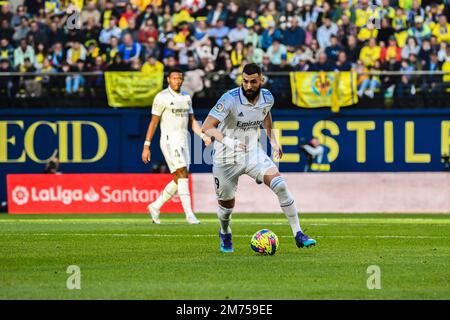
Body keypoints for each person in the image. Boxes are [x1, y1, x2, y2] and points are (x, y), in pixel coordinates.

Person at [201, 63, 316, 253]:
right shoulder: (229, 99)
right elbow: (207, 126)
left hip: (252, 152)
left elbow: (265, 115)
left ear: (261, 80)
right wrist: (230, 142)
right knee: (226, 207)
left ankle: (299, 234)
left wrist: (273, 141)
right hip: (226, 158)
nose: (248, 86)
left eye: (253, 82)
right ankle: (225, 231)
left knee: (280, 185)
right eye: (245, 81)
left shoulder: (267, 97)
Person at [141, 67, 212, 225]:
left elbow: (192, 121)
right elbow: (154, 122)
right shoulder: (162, 97)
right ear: (168, 80)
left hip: (183, 140)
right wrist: (146, 145)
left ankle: (155, 206)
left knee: (178, 178)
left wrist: (203, 136)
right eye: (174, 78)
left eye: (180, 78)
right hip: (168, 140)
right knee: (182, 173)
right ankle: (189, 214)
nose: (177, 81)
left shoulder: (187, 97)